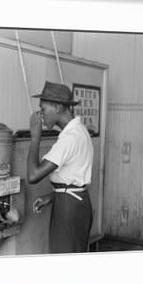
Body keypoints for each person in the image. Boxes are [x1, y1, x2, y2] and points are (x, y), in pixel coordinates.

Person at [27, 81, 94, 253]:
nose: (41, 115)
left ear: (57, 107)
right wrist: (53, 196)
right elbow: (73, 179)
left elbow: (33, 175)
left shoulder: (70, 138)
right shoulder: (79, 131)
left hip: (69, 209)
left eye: (43, 109)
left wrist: (35, 137)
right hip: (72, 201)